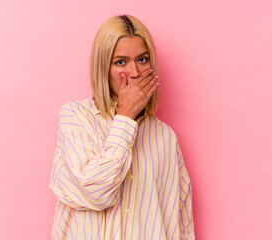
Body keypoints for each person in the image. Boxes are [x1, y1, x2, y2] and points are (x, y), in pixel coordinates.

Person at [48, 15, 195, 240]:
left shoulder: (165, 137)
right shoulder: (75, 118)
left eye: (143, 59)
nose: (135, 72)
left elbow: (179, 223)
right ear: (103, 67)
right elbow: (96, 192)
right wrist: (125, 116)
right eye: (121, 62)